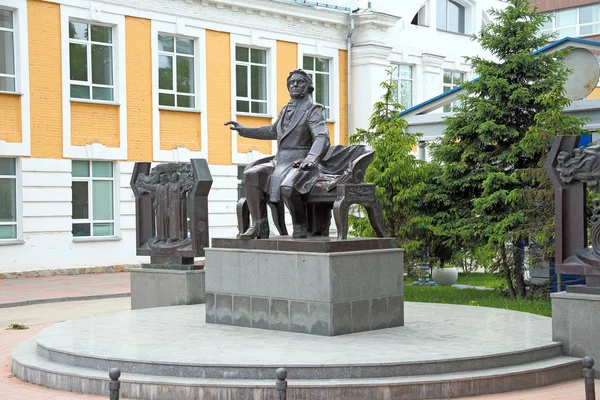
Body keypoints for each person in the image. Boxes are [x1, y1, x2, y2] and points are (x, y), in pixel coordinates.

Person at [225, 69, 330, 239]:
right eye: (291, 82)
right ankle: (260, 226)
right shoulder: (286, 109)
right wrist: (243, 130)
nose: (294, 85)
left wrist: (311, 159)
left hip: (301, 161)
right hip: (279, 161)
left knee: (288, 186)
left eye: (299, 82)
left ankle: (300, 224)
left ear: (309, 87)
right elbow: (272, 131)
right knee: (251, 174)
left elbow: (321, 137)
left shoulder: (313, 109)